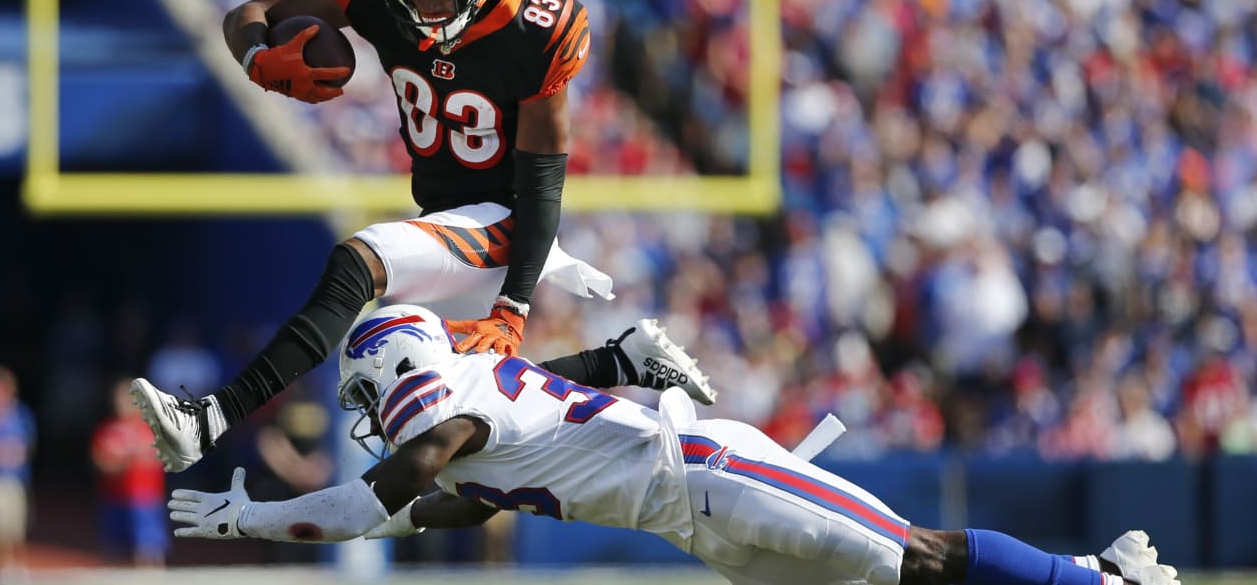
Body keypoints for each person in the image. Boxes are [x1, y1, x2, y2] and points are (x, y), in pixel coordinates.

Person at [130, 0, 715, 473]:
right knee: (442, 418)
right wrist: (256, 54)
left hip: (507, 218)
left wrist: (513, 305)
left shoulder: (538, 28)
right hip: (441, 215)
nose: (426, 7)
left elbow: (542, 183)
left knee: (359, 262)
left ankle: (209, 418)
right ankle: (618, 363)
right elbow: (251, 13)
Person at [168, 305, 1180, 585]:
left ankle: (1092, 581)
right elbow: (429, 503)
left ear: (393, 368)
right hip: (689, 525)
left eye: (363, 391)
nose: (364, 415)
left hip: (708, 473)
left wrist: (254, 516)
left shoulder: (452, 415)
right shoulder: (465, 435)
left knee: (907, 555)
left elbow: (381, 497)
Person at [91, 378, 168, 567]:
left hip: (144, 499)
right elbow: (99, 460)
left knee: (148, 547)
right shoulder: (108, 429)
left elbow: (163, 459)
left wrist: (136, 457)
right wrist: (121, 463)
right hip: (115, 497)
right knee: (113, 548)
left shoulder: (151, 428)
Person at [0, 366, 35, 576]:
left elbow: (24, 450)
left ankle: (10, 570)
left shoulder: (20, 414)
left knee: (10, 533)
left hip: (12, 483)